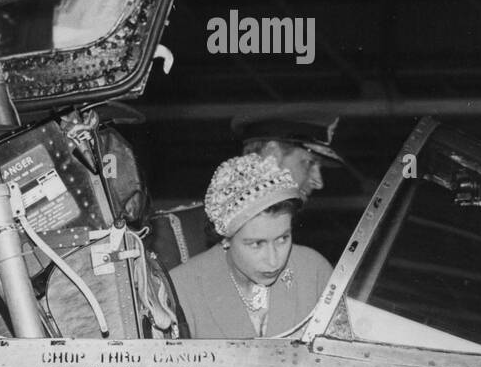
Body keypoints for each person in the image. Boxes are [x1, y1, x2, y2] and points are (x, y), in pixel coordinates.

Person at [147, 112, 345, 268]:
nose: (319, 182)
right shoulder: (171, 232)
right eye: (309, 163)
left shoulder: (302, 253)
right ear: (272, 154)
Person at [168, 154, 332, 338]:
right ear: (224, 238)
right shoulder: (181, 289)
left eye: (282, 239)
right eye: (256, 244)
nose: (273, 261)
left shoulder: (315, 271)